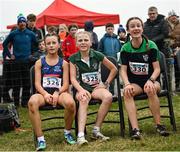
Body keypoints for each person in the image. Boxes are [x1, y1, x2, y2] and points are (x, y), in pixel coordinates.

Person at [120, 17, 169, 140]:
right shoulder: (125, 48)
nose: (136, 28)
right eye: (132, 26)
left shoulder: (150, 45)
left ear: (142, 28)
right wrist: (126, 84)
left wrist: (151, 80)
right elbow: (123, 70)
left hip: (152, 80)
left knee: (150, 89)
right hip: (135, 83)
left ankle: (159, 125)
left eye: (138, 25)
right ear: (128, 30)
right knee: (127, 93)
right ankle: (135, 129)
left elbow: (157, 69)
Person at [28, 33, 76, 151]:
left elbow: (65, 84)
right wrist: (45, 94)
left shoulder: (64, 63)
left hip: (59, 93)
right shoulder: (39, 62)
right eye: (48, 43)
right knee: (32, 102)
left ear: (59, 45)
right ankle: (40, 139)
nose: (51, 45)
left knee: (70, 103)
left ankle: (67, 132)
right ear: (44, 45)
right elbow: (37, 84)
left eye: (54, 43)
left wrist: (56, 92)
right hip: (43, 94)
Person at [69, 31, 117, 145]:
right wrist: (81, 90)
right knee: (83, 99)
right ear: (76, 44)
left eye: (86, 40)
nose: (83, 42)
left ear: (91, 42)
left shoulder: (97, 55)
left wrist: (105, 83)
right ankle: (80, 136)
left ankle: (96, 130)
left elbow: (114, 69)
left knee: (108, 96)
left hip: (96, 88)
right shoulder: (73, 58)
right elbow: (73, 79)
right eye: (80, 40)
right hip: (81, 88)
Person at [3, 14, 38, 107]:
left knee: (27, 83)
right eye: (20, 22)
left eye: (23, 22)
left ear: (25, 23)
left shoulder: (31, 34)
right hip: (16, 62)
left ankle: (24, 102)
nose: (22, 23)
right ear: (18, 24)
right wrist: (9, 55)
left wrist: (33, 54)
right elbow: (4, 44)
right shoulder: (13, 33)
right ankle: (16, 103)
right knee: (16, 83)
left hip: (27, 62)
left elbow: (36, 46)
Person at [166, 10, 180, 92]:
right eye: (172, 16)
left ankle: (178, 86)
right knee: (171, 68)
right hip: (169, 49)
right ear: (169, 17)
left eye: (175, 16)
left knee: (179, 67)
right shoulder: (165, 25)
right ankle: (172, 86)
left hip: (179, 48)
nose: (174, 17)